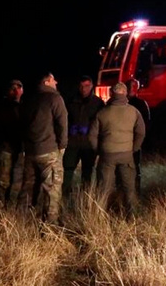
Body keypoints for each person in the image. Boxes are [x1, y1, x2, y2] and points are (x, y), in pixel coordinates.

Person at [89, 82, 146, 219]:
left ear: (111, 94)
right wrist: (134, 148)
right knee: (129, 189)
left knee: (104, 189)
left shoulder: (102, 113)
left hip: (107, 155)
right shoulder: (133, 111)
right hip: (126, 155)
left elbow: (92, 136)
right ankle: (132, 218)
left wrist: (99, 150)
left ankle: (100, 218)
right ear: (125, 94)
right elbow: (141, 132)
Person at [19, 72, 68, 223]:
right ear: (46, 82)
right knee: (52, 190)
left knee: (28, 187)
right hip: (49, 151)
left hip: (31, 151)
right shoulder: (55, 98)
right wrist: (62, 145)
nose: (56, 82)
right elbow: (62, 124)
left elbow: (22, 124)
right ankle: (50, 226)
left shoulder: (28, 99)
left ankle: (22, 220)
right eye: (54, 79)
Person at [63, 74, 104, 197]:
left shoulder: (98, 103)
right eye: (81, 86)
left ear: (91, 86)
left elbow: (101, 123)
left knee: (87, 172)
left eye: (86, 86)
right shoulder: (70, 101)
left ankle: (85, 198)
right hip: (73, 142)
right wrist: (70, 129)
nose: (84, 89)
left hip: (88, 144)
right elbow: (64, 119)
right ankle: (64, 196)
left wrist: (93, 135)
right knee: (68, 169)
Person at [0, 79, 26, 207]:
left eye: (18, 88)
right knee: (1, 181)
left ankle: (9, 210)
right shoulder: (1, 107)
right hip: (5, 150)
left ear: (22, 90)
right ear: (8, 91)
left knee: (16, 182)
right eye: (12, 89)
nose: (16, 91)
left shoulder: (24, 107)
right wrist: (0, 144)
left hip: (19, 150)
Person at [124, 78, 150, 193]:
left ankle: (136, 192)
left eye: (134, 86)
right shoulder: (121, 103)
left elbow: (145, 124)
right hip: (123, 141)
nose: (132, 89)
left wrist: (139, 141)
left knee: (135, 167)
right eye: (130, 86)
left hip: (134, 141)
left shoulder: (141, 104)